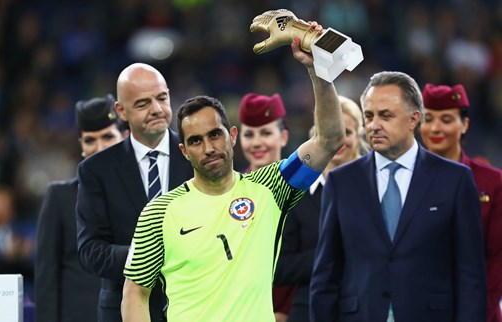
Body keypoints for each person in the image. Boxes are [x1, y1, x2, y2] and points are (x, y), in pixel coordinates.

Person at [122, 26, 347, 321]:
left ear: (232, 136)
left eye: (215, 135)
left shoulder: (270, 186)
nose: (208, 148)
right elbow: (135, 292)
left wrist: (317, 71)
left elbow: (329, 139)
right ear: (184, 151)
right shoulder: (159, 212)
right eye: (196, 141)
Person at [310, 71, 486, 322]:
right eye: (369, 116)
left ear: (414, 119)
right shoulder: (341, 183)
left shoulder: (455, 180)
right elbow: (325, 276)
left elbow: (471, 275)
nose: (374, 125)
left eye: (386, 115)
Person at [76, 63, 193, 322]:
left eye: (162, 98)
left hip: (194, 307)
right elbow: (90, 250)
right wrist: (144, 254)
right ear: (121, 111)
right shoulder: (95, 171)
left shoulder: (197, 156)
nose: (156, 109)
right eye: (142, 103)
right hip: (121, 310)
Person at [272, 95, 369, 322]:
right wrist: (331, 254)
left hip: (367, 305)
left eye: (348, 132)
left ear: (360, 136)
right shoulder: (296, 193)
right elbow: (280, 267)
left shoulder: (376, 188)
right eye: (331, 131)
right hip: (309, 310)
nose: (339, 140)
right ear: (317, 136)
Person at [35, 95, 128, 322]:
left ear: (126, 137)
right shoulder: (59, 197)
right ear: (81, 146)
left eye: (107, 136)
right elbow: (47, 279)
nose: (99, 147)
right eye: (90, 140)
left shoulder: (141, 192)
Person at [420, 83, 502, 322]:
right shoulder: (404, 177)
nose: (436, 128)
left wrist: (475, 311)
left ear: (465, 124)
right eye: (428, 118)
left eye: (446, 119)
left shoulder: (493, 182)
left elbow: (498, 258)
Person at [236, 92, 294, 322]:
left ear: (284, 136)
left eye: (266, 133)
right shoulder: (231, 192)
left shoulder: (305, 189)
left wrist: (285, 312)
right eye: (249, 134)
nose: (257, 142)